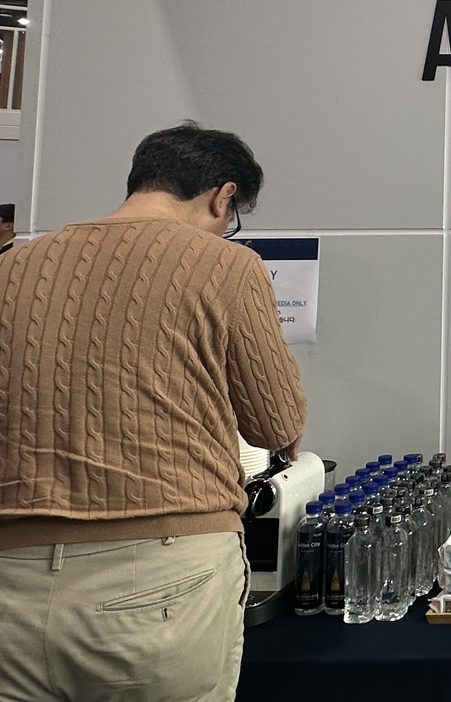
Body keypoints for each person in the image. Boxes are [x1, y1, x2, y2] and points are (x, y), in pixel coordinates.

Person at [0, 123, 306, 702]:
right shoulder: (226, 265)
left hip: (11, 578)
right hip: (161, 575)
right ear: (223, 196)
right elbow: (275, 423)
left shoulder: (12, 267)